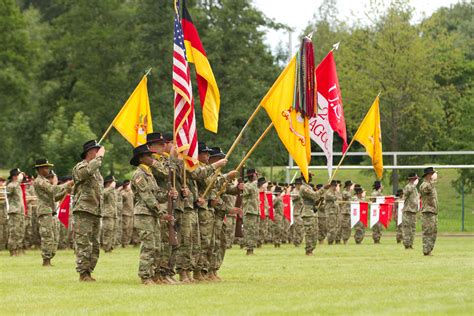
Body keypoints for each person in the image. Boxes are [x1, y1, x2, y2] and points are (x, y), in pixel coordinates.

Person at [130, 144, 176, 285]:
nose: (151, 158)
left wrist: (168, 195)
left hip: (152, 214)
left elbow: (156, 194)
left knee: (157, 246)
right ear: (141, 158)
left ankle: (154, 274)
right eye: (148, 156)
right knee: (149, 246)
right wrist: (161, 212)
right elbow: (148, 197)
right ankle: (145, 276)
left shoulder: (149, 174)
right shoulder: (139, 175)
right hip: (144, 214)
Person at [71, 140, 105, 282]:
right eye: (96, 150)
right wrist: (99, 158)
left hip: (95, 211)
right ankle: (83, 273)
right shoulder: (80, 167)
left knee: (95, 245)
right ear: (89, 152)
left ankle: (89, 271)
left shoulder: (97, 171)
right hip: (83, 210)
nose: (98, 152)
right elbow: (86, 172)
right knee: (84, 243)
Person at [34, 160, 72, 266]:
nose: (48, 170)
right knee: (47, 236)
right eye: (46, 167)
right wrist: (66, 184)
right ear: (40, 169)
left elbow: (55, 198)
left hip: (51, 211)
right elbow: (53, 190)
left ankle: (49, 258)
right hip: (44, 212)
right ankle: (46, 261)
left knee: (55, 236)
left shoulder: (45, 181)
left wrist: (66, 190)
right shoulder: (39, 181)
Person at [298, 173, 322, 255]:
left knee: (315, 232)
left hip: (312, 211)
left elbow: (315, 199)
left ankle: (311, 249)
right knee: (309, 232)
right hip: (307, 212)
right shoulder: (303, 188)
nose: (311, 178)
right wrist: (323, 189)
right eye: (310, 176)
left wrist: (319, 200)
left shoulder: (309, 187)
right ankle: (308, 250)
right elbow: (314, 196)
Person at [6, 168, 25, 256]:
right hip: (14, 211)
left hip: (20, 211)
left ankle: (18, 249)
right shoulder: (11, 185)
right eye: (18, 175)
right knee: (14, 232)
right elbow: (10, 191)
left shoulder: (17, 185)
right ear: (14, 176)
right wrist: (19, 180)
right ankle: (12, 250)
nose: (20, 177)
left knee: (20, 231)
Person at [420, 167, 438, 256]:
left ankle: (429, 250)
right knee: (427, 232)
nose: (434, 175)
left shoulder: (430, 184)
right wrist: (432, 181)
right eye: (432, 174)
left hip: (433, 212)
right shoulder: (424, 184)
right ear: (428, 175)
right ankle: (426, 250)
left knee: (433, 231)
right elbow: (427, 189)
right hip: (427, 212)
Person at [242, 168, 259, 255]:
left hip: (255, 211)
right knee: (249, 231)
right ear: (252, 175)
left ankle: (252, 248)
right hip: (249, 211)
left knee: (254, 231)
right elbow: (248, 191)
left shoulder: (254, 185)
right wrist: (255, 182)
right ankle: (249, 249)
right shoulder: (247, 185)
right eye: (256, 174)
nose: (257, 176)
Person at [101, 175, 117, 253]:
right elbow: (102, 195)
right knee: (107, 231)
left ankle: (110, 247)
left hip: (113, 214)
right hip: (107, 214)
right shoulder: (105, 190)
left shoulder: (112, 191)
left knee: (113, 231)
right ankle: (106, 248)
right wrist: (111, 187)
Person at [340, 180, 354, 244]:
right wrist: (351, 190)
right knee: (345, 226)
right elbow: (347, 196)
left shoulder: (349, 192)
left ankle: (346, 239)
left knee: (348, 227)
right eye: (351, 185)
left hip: (350, 211)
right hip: (345, 211)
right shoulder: (345, 192)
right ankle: (344, 240)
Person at [121, 180, 134, 247]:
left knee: (130, 229)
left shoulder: (131, 192)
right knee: (125, 228)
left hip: (131, 213)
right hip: (125, 213)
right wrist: (127, 190)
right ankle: (124, 243)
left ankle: (128, 242)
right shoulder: (123, 192)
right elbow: (122, 196)